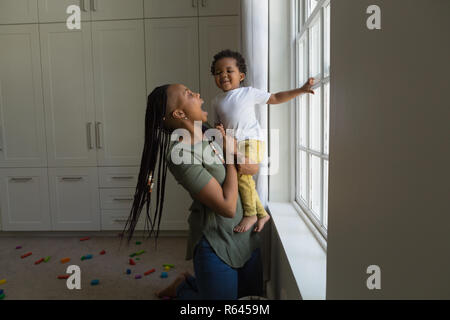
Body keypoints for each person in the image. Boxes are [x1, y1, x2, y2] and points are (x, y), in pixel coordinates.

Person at [124, 83, 264, 300]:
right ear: (179, 113)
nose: (197, 94)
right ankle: (182, 288)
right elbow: (227, 207)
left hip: (246, 237)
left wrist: (238, 158)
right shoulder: (180, 153)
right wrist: (230, 156)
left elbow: (252, 167)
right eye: (189, 94)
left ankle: (191, 283)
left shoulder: (210, 130)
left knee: (250, 301)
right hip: (217, 242)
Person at [210, 49, 315, 233]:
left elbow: (275, 97)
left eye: (228, 71)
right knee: (242, 179)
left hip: (252, 141)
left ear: (241, 75)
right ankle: (262, 213)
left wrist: (301, 90)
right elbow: (218, 124)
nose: (223, 75)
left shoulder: (247, 93)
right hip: (233, 145)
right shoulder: (216, 101)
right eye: (218, 73)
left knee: (243, 176)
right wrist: (219, 131)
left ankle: (251, 214)